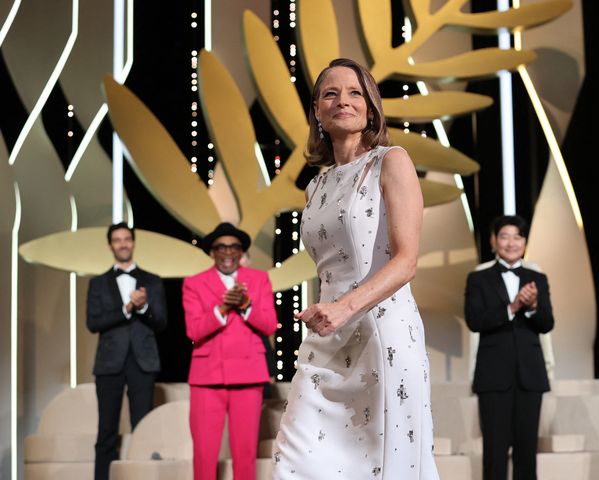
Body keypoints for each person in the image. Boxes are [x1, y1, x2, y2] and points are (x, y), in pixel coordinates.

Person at [272, 58, 439, 479]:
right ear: (317, 111)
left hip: (382, 332)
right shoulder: (316, 185)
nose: (342, 101)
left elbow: (406, 261)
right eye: (330, 93)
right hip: (327, 340)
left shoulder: (391, 161)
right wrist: (328, 310)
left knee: (383, 466)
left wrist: (346, 307)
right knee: (293, 462)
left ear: (370, 107)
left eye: (354, 93)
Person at [182, 222, 277, 480]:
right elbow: (194, 330)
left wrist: (245, 304)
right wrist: (222, 308)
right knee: (204, 454)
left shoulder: (258, 279)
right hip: (207, 377)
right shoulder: (194, 283)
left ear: (241, 251)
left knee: (245, 453)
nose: (227, 252)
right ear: (212, 251)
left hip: (248, 375)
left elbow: (269, 324)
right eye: (221, 247)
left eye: (233, 246)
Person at [464, 215, 554, 480]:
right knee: (495, 452)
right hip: (493, 377)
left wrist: (534, 306)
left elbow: (547, 323)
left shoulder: (538, 278)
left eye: (518, 237)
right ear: (494, 241)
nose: (511, 242)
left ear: (525, 242)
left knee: (527, 453)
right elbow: (474, 320)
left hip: (530, 376)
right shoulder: (478, 278)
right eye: (504, 236)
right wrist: (512, 308)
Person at [86, 222, 167, 480]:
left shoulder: (152, 281)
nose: (123, 244)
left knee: (142, 428)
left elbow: (162, 322)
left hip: (143, 361)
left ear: (133, 242)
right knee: (106, 431)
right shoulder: (98, 283)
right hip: (109, 363)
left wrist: (143, 308)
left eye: (127, 239)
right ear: (110, 245)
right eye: (117, 240)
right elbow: (93, 323)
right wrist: (126, 309)